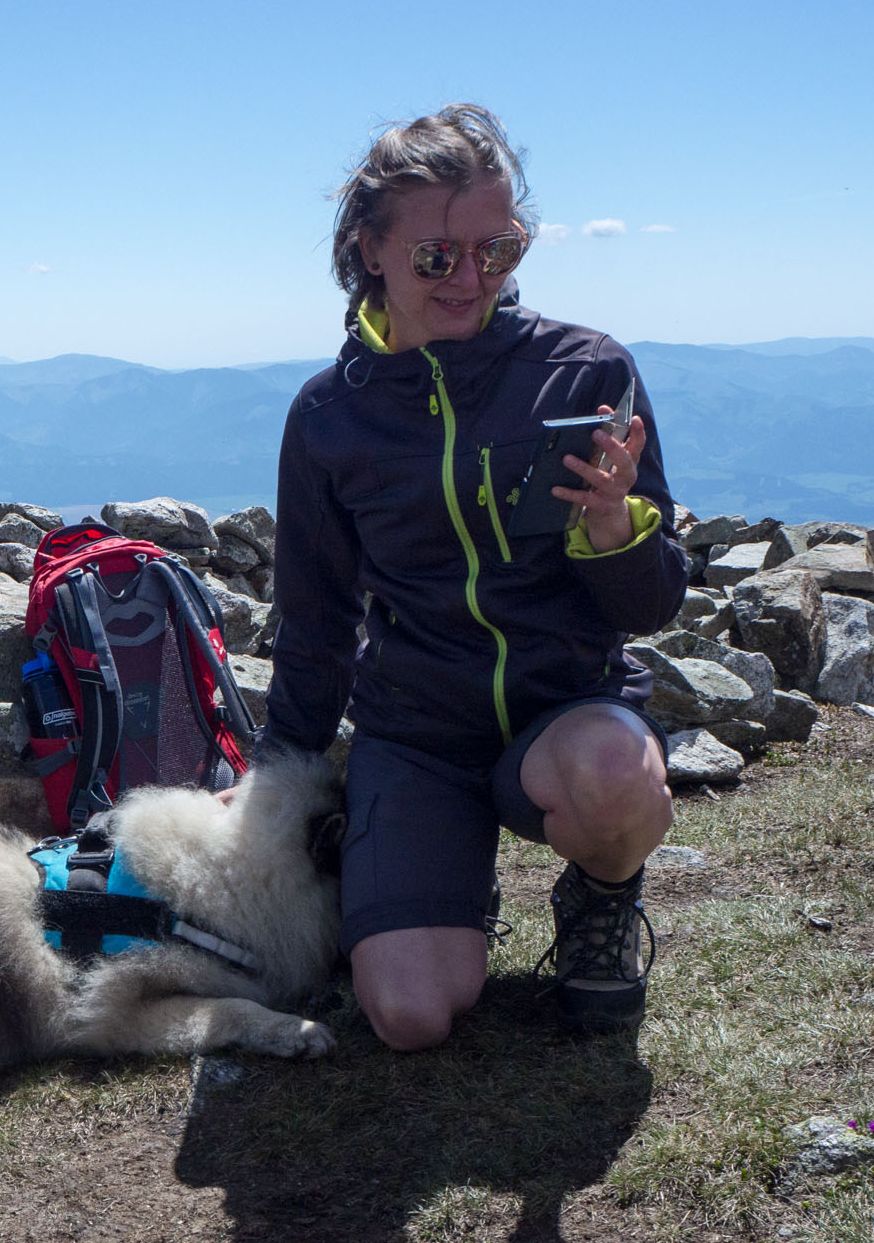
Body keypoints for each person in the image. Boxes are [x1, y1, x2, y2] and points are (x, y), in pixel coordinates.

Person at [261, 104, 689, 1048]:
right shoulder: (331, 416)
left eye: (498, 250)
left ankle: (601, 898)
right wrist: (279, 774)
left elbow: (653, 604)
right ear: (371, 249)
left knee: (617, 780)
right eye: (436, 257)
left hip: (565, 708)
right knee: (412, 1016)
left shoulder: (584, 373)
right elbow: (317, 615)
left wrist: (615, 526)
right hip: (418, 734)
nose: (471, 278)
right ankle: (427, 875)